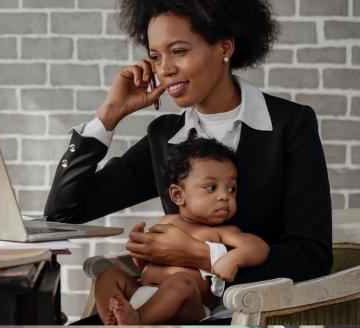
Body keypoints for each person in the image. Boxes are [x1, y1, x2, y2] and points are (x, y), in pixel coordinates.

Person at [45, 0, 332, 323]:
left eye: (178, 51)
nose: (164, 69)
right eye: (155, 56)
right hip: (158, 311)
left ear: (225, 47)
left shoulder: (289, 125)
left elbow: (312, 257)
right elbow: (64, 214)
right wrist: (109, 116)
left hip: (247, 314)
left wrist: (201, 254)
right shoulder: (165, 137)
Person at [94, 137, 270, 325]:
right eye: (211, 187)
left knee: (181, 282)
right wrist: (140, 253)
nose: (224, 196)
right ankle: (112, 319)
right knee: (108, 275)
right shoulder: (166, 222)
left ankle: (136, 321)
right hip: (143, 293)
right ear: (178, 195)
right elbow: (147, 265)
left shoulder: (223, 231)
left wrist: (233, 259)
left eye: (231, 189)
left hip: (188, 305)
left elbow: (258, 246)